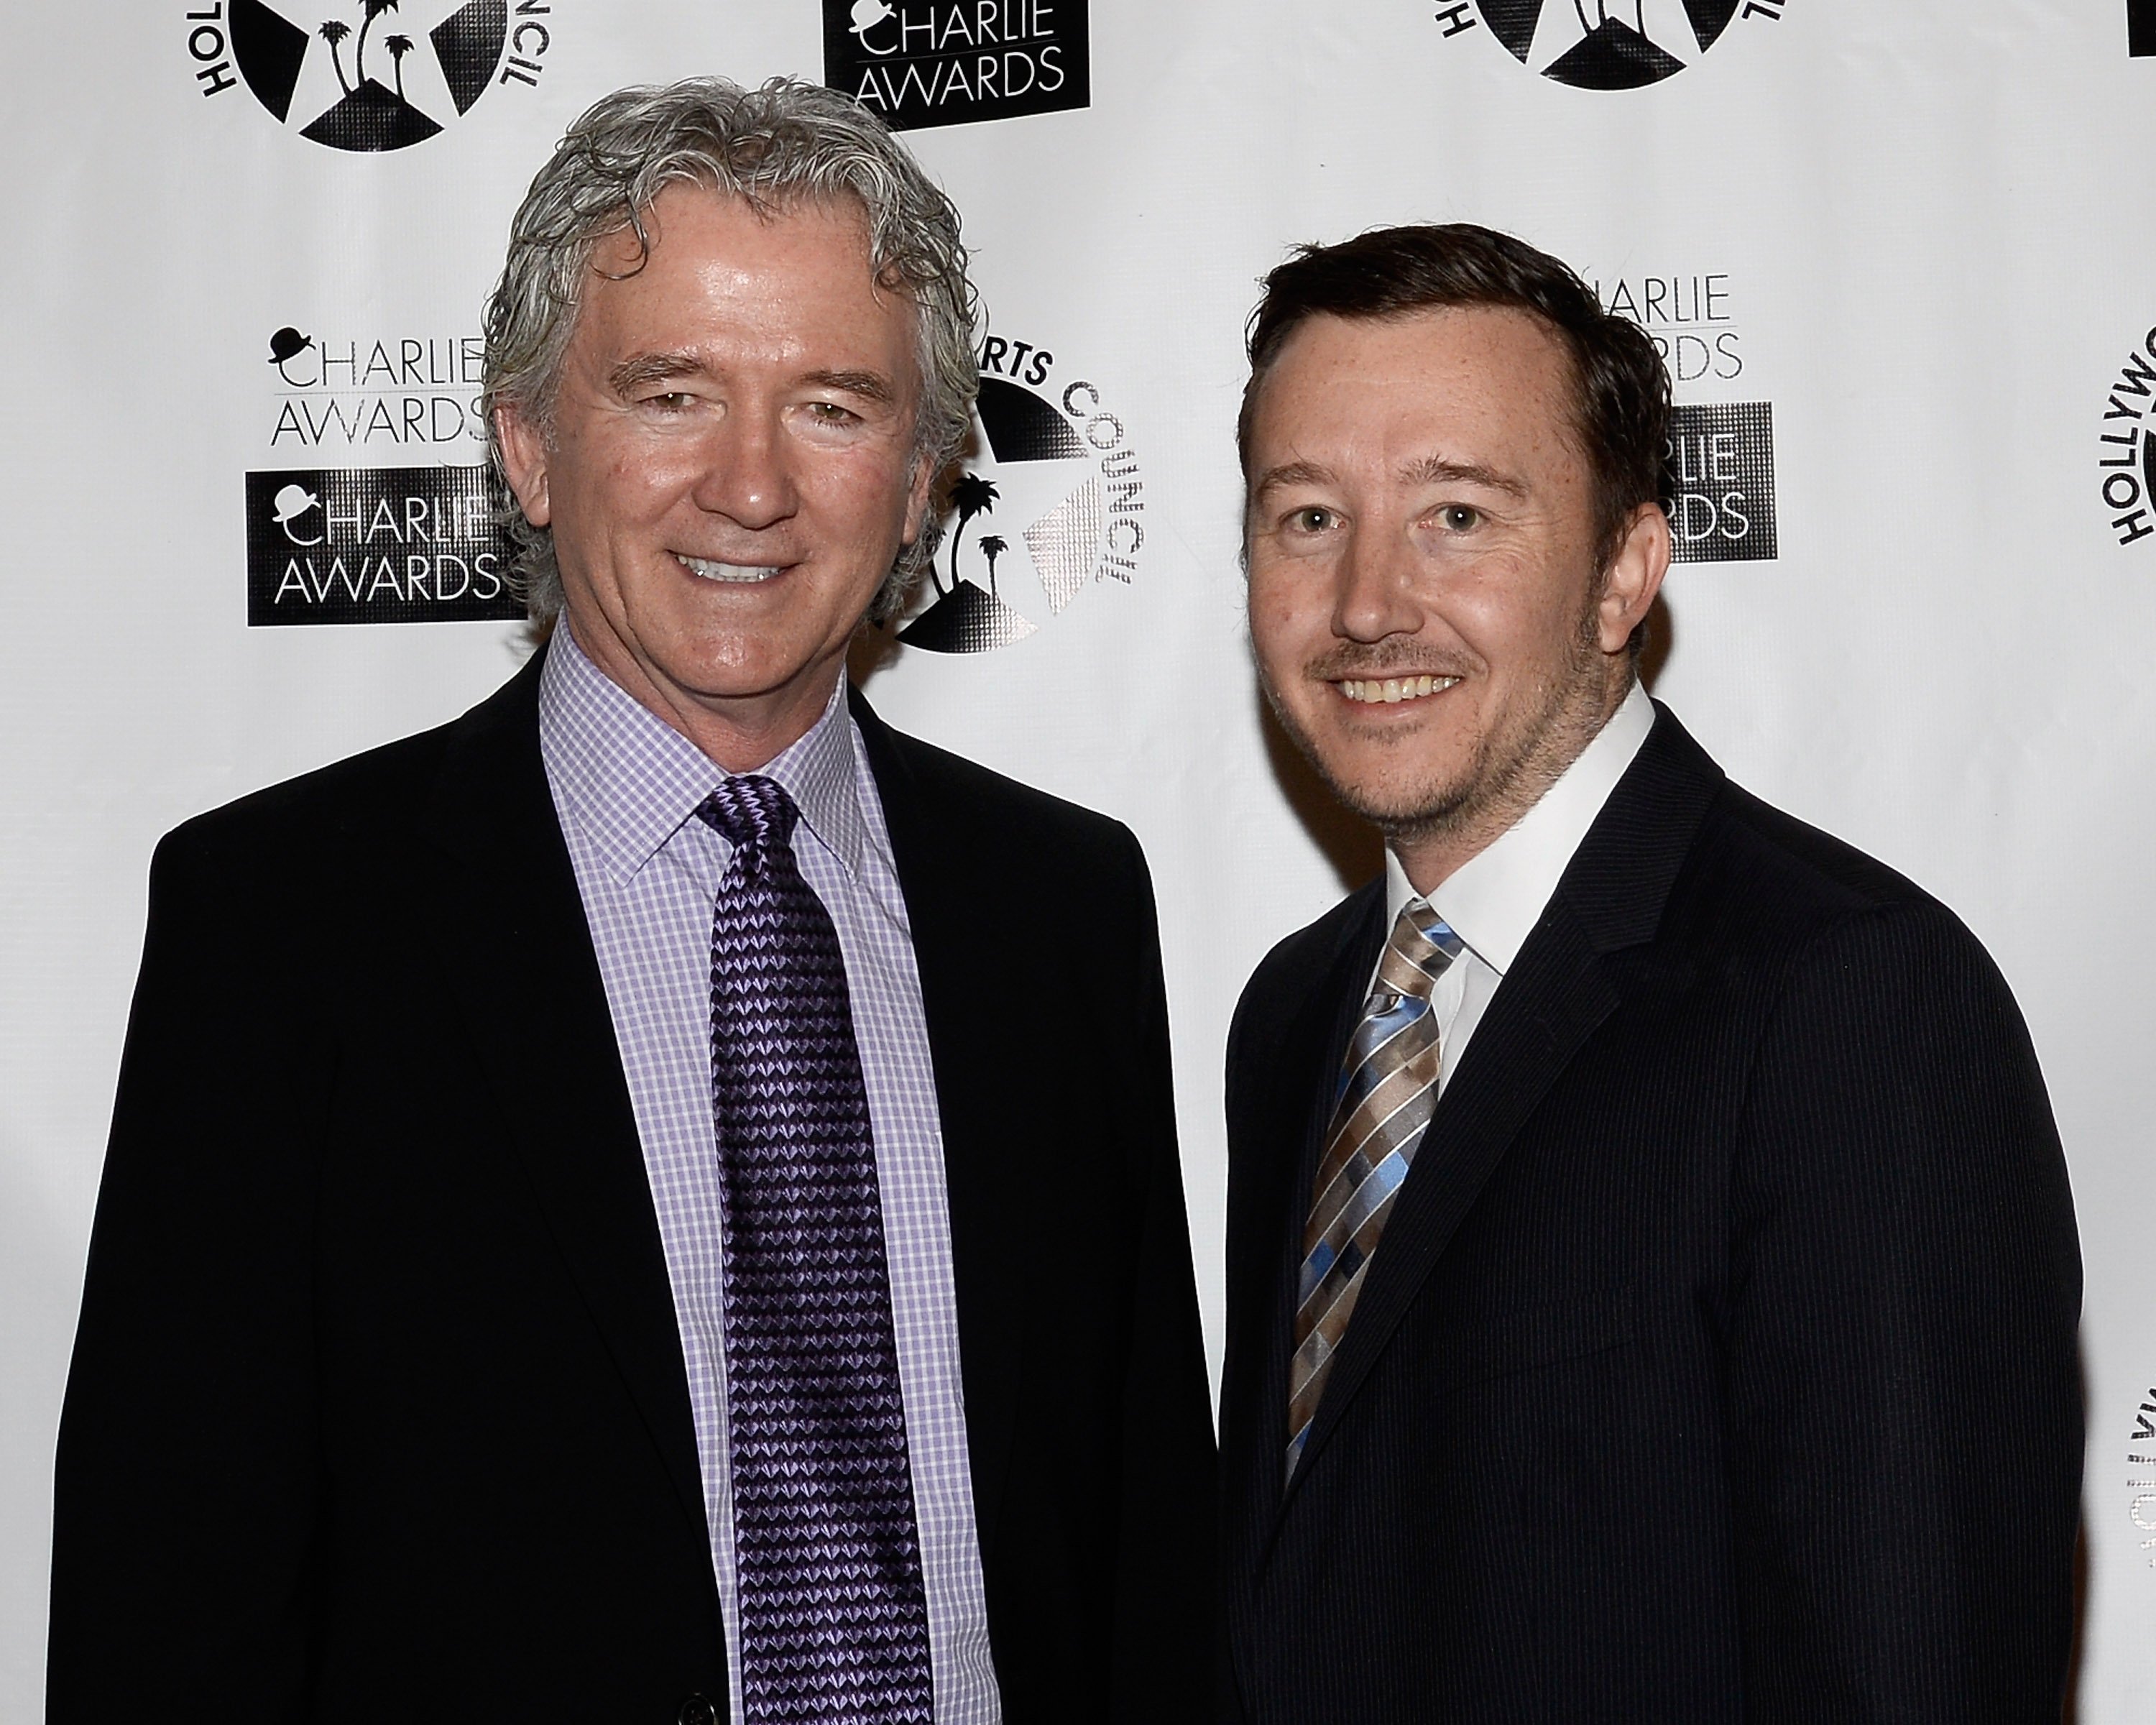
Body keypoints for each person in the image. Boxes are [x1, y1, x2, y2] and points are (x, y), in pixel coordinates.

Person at [49, 78, 1213, 1725]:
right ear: (527, 444)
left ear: (929, 469)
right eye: (671, 393)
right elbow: (167, 1619)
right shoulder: (284, 926)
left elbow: (1148, 1560)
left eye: (833, 403)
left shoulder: (1066, 910)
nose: (750, 485)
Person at [1217, 223, 2081, 1721]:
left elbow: (1912, 1672)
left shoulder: (1851, 1002)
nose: (1365, 603)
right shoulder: (1298, 1015)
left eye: (1458, 516)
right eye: (1306, 518)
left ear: (1625, 570)